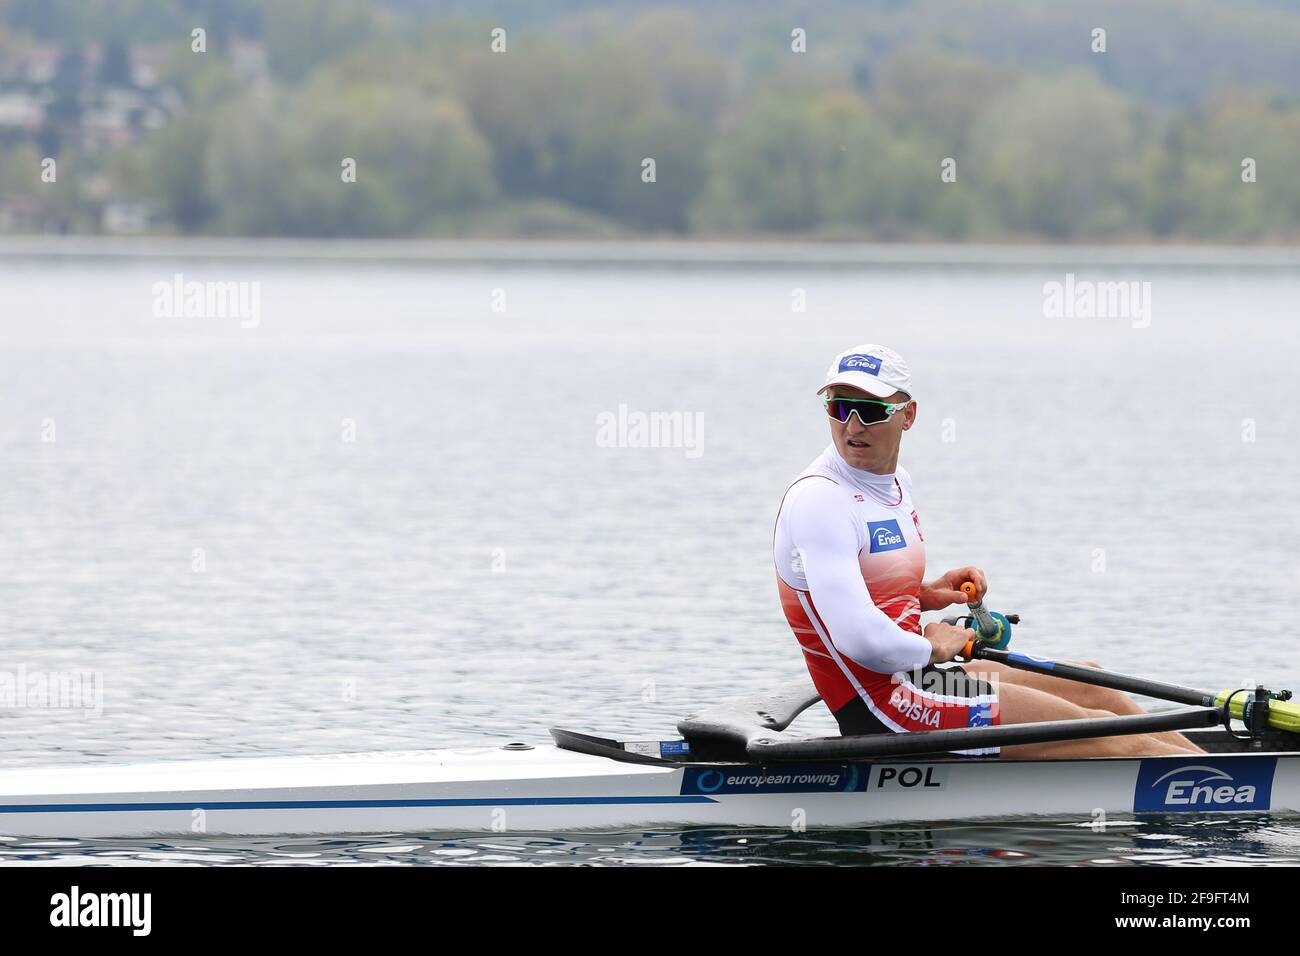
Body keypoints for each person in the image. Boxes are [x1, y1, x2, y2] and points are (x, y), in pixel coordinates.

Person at [773, 344, 1202, 757]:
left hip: (918, 678)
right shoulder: (820, 501)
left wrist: (925, 594)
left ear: (908, 415)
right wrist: (933, 648)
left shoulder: (896, 482)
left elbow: (864, 586)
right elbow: (859, 638)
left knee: (1094, 683)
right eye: (838, 407)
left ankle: (1218, 766)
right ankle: (1225, 786)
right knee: (1105, 731)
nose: (851, 426)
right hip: (884, 707)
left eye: (869, 410)